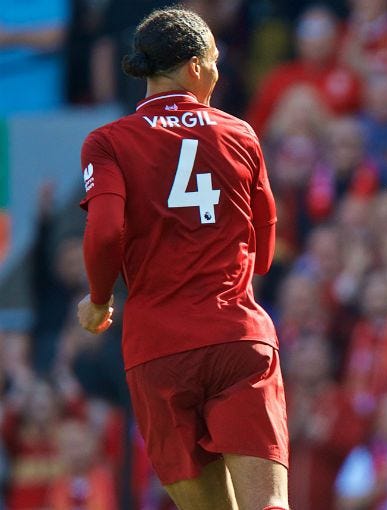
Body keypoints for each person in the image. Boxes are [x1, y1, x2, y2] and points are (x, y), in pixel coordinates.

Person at [75, 8, 289, 510]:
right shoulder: (240, 133)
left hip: (158, 348)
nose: (218, 68)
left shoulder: (107, 142)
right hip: (237, 338)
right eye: (215, 59)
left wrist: (99, 300)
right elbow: (264, 251)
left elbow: (104, 232)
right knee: (267, 505)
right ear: (194, 66)